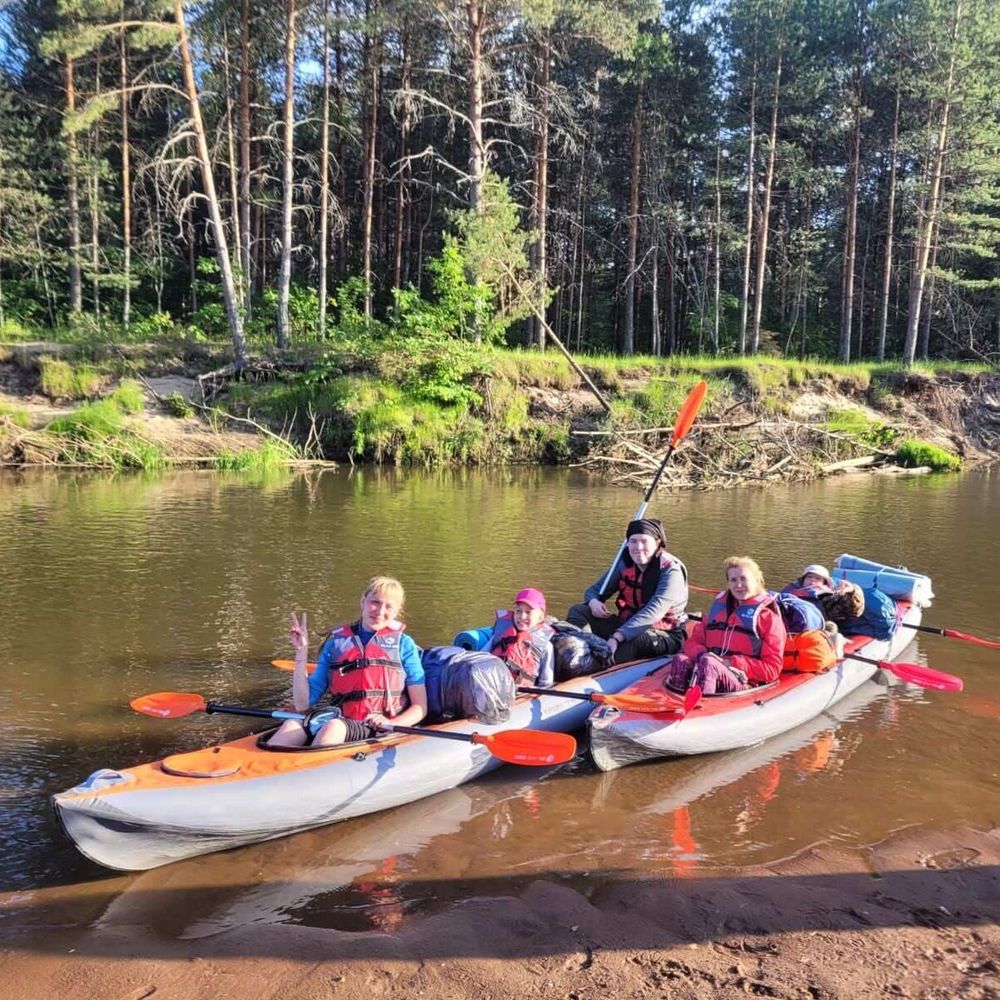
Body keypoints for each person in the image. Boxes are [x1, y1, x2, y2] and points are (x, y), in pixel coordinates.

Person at [270, 576, 427, 747]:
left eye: (388, 606)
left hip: (378, 724)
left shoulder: (404, 645)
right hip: (340, 719)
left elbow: (420, 707)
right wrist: (301, 652)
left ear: (396, 611)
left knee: (334, 727)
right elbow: (302, 705)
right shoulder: (336, 644)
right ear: (363, 601)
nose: (380, 611)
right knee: (292, 724)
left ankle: (317, 771)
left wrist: (395, 722)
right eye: (375, 602)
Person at [566, 518, 688, 664]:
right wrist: (593, 602)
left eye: (644, 541)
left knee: (635, 639)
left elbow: (654, 612)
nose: (638, 547)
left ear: (657, 543)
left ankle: (595, 665)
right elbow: (593, 591)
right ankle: (583, 650)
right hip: (625, 625)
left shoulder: (671, 571)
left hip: (663, 634)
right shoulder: (624, 563)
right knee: (578, 610)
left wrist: (617, 636)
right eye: (633, 541)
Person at [669, 555, 786, 694]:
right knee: (680, 660)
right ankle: (672, 704)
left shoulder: (769, 619)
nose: (738, 585)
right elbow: (691, 644)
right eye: (733, 580)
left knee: (709, 665)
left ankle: (703, 709)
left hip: (743, 681)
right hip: (709, 668)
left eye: (743, 578)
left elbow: (772, 669)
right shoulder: (716, 611)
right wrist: (701, 654)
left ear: (756, 580)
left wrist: (732, 662)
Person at [453, 587, 556, 687]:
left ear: (540, 617)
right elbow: (481, 657)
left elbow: (546, 683)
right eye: (518, 611)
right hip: (494, 685)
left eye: (528, 612)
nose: (522, 616)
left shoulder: (546, 646)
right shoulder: (502, 633)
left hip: (522, 693)